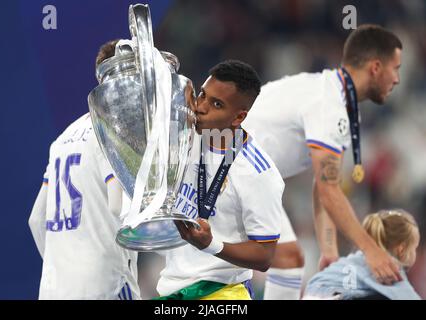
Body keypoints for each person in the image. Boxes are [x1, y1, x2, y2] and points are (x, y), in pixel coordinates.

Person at [242, 24, 403, 299]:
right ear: (376, 67)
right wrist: (372, 251)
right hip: (228, 170)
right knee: (285, 264)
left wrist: (329, 250)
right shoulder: (330, 104)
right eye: (396, 68)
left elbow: (323, 185)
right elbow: (329, 191)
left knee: (289, 266)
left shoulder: (330, 95)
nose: (398, 78)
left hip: (237, 170)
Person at [155, 60, 285, 300]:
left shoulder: (258, 173)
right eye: (202, 95)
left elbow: (265, 255)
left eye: (216, 104)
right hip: (172, 289)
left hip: (222, 292)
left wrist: (211, 245)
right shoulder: (186, 138)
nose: (201, 107)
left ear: (238, 117)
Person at [28, 40, 140, 300]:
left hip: (54, 290)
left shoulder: (62, 138)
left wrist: (68, 267)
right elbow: (118, 204)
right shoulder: (116, 130)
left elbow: (36, 219)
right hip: (106, 286)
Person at [303, 209, 421, 300]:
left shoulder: (355, 258)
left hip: (312, 290)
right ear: (402, 249)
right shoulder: (388, 267)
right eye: (414, 248)